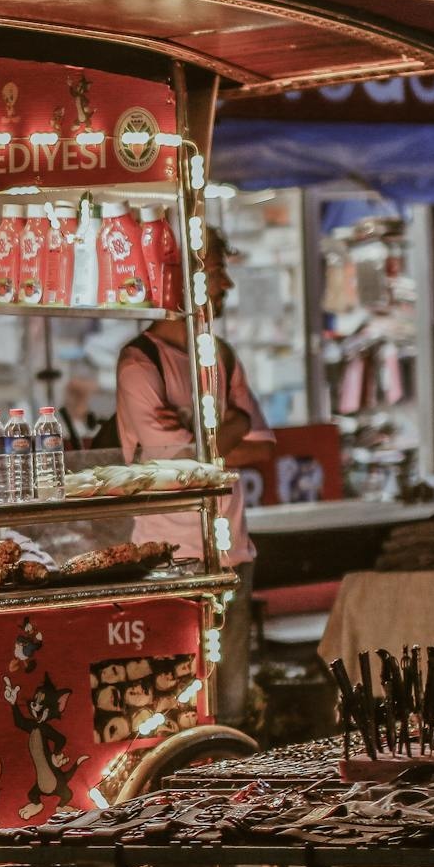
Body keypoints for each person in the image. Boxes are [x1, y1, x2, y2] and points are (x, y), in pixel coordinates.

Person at [114, 228, 273, 728]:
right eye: (217, 270)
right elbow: (177, 457)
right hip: (168, 562)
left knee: (230, 703)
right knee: (170, 702)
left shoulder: (220, 355)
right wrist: (222, 436)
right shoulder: (140, 362)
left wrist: (202, 445)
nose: (226, 283)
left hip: (232, 553)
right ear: (181, 280)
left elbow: (260, 445)